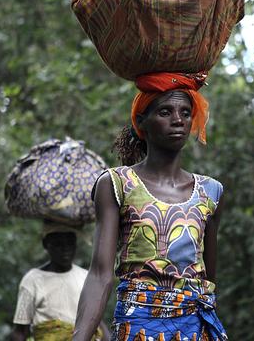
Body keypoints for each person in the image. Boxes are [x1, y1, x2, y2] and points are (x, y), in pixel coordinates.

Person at [72, 72, 227, 341]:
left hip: (194, 327)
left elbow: (208, 283)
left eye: (186, 112)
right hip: (138, 326)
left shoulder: (210, 192)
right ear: (142, 121)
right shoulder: (117, 184)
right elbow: (100, 274)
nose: (178, 120)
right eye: (165, 112)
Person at [12, 223, 109, 341]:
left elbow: (96, 320)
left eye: (70, 243)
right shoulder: (32, 280)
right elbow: (21, 331)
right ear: (46, 244)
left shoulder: (85, 277)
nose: (65, 249)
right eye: (58, 244)